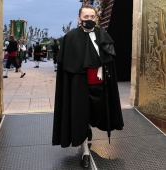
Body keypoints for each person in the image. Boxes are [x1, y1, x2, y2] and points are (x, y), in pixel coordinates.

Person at [52, 5, 124, 168]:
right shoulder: (70, 38)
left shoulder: (102, 34)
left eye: (92, 17)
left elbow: (107, 58)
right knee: (80, 118)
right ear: (79, 19)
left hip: (99, 86)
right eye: (86, 17)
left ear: (96, 18)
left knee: (96, 114)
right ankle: (84, 150)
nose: (89, 20)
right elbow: (66, 66)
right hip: (79, 88)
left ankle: (88, 127)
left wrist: (101, 70)